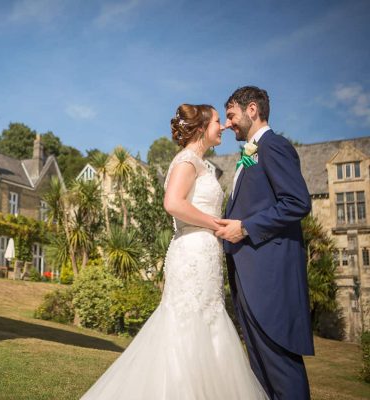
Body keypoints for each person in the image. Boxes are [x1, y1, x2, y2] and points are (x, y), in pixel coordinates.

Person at [80, 104, 268, 400]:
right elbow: (173, 204)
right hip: (192, 252)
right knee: (187, 324)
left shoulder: (202, 164)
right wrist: (215, 223)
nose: (223, 127)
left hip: (204, 254)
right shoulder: (187, 161)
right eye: (218, 121)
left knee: (208, 322)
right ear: (202, 126)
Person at [215, 86, 313, 399]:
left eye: (231, 115)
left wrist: (245, 228)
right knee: (261, 373)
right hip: (248, 277)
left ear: (252, 110)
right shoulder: (249, 154)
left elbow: (297, 202)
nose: (228, 124)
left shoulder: (274, 146)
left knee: (281, 370)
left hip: (270, 281)